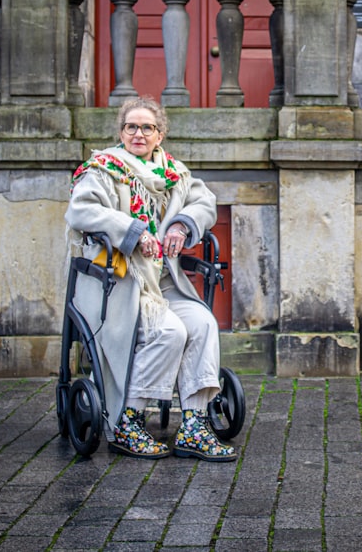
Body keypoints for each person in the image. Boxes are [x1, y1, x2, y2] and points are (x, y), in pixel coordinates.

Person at [65, 96, 236, 462]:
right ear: (121, 132)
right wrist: (131, 230)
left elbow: (205, 202)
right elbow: (81, 210)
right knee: (170, 331)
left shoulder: (173, 173)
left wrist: (181, 223)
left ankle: (194, 425)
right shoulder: (102, 169)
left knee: (203, 323)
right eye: (131, 127)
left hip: (163, 283)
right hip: (119, 283)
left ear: (160, 135)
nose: (138, 134)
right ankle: (128, 420)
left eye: (147, 127)